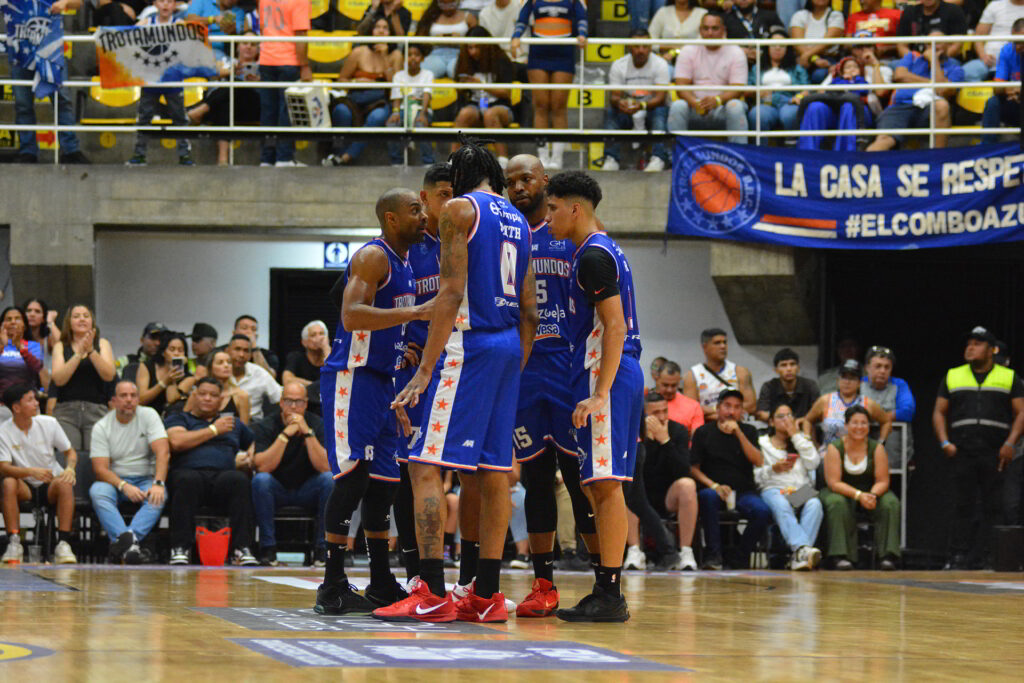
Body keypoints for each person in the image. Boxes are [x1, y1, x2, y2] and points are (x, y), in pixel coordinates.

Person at [382, 139, 535, 624]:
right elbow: (531, 310)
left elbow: (450, 294)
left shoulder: (458, 211)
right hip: (509, 346)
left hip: (467, 344)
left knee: (424, 465)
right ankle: (486, 593)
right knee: (492, 473)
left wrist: (425, 370)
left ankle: (429, 589)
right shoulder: (521, 221)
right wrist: (514, 363)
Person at [315, 188, 432, 616]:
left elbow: (384, 320)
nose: (424, 217)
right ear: (391, 218)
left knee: (385, 483)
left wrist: (402, 348)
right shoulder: (373, 256)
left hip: (384, 379)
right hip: (353, 376)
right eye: (415, 210)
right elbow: (352, 315)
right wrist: (416, 314)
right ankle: (332, 586)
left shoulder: (406, 262)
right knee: (353, 479)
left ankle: (381, 581)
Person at [545, 170, 643, 622]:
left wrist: (600, 393)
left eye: (552, 208)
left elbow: (616, 327)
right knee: (599, 485)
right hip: (608, 372)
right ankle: (606, 589)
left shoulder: (593, 257)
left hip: (606, 373)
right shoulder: (600, 248)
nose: (547, 218)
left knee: (605, 486)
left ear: (574, 209)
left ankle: (610, 592)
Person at [505, 155, 598, 618]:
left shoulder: (572, 237)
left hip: (568, 367)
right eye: (510, 182)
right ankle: (544, 583)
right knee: (537, 478)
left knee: (583, 479)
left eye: (526, 178)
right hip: (524, 371)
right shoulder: (506, 238)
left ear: (545, 181)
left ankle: (604, 580)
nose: (519, 187)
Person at [390, 164, 453, 585]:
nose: (451, 200)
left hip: (456, 369)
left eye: (455, 192)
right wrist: (399, 336)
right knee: (406, 470)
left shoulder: (462, 240)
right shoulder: (405, 244)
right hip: (410, 373)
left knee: (448, 472)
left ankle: (464, 577)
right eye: (444, 193)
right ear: (425, 197)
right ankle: (413, 572)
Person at [933, 326, 1024, 569]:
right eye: (968, 344)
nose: (970, 348)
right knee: (963, 504)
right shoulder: (953, 375)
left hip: (995, 452)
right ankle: (958, 557)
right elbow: (939, 412)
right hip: (962, 450)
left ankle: (989, 555)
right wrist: (944, 442)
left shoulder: (1008, 377)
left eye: (977, 343)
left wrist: (1009, 443)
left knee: (994, 506)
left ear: (992, 350)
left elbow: (1021, 412)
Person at [164, 377, 258, 565]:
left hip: (223, 478)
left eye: (213, 395)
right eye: (203, 394)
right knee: (186, 479)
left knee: (240, 480)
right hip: (189, 475)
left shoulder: (233, 423)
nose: (207, 398)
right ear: (194, 395)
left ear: (221, 400)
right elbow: (177, 442)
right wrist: (214, 430)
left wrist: (249, 456)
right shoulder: (179, 418)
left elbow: (257, 441)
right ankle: (180, 548)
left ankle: (242, 549)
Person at [251, 382, 331, 567]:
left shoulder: (318, 424)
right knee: (261, 481)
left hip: (308, 489)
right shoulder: (266, 425)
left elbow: (325, 466)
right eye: (288, 401)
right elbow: (262, 466)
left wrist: (308, 434)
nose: (293, 407)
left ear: (306, 403)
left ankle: (322, 550)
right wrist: (285, 435)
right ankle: (268, 549)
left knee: (329, 480)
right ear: (280, 402)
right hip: (276, 488)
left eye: (298, 402)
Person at [88, 381, 169, 564]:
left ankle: (125, 542)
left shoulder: (149, 415)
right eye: (124, 396)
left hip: (145, 478)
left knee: (159, 496)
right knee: (97, 491)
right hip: (114, 481)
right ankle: (130, 544)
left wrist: (158, 483)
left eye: (133, 396)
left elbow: (163, 452)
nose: (129, 400)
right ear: (113, 401)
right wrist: (123, 486)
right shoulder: (102, 427)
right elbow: (100, 469)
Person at [689, 389, 770, 569]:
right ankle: (713, 555)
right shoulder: (703, 432)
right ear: (718, 408)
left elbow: (758, 461)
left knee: (762, 511)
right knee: (707, 498)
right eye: (727, 406)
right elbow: (693, 469)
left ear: (742, 411)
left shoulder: (749, 431)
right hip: (714, 489)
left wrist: (739, 434)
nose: (731, 411)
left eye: (737, 407)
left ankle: (740, 556)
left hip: (743, 491)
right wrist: (715, 485)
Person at [0, 383, 78, 565]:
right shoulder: (3, 431)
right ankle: (14, 542)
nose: (36, 403)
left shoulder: (49, 423)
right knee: (8, 482)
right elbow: (3, 467)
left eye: (35, 399)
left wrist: (70, 468)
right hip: (24, 484)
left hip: (51, 482)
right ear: (16, 408)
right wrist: (29, 471)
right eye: (30, 400)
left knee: (66, 483)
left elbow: (70, 452)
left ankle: (64, 543)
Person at [6, 0, 90, 164]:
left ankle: (70, 150)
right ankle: (27, 151)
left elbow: (78, 3)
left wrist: (64, 2)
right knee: (23, 104)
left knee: (62, 100)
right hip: (20, 52)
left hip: (50, 51)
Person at [508, 0, 588, 170]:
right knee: (541, 104)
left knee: (559, 105)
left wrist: (582, 34)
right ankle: (542, 155)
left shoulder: (573, 1)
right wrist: (516, 37)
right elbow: (522, 19)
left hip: (564, 54)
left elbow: (582, 19)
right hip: (538, 54)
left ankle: (557, 156)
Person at [820, 405, 901, 570]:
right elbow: (834, 482)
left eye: (864, 423)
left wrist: (871, 495)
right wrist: (858, 495)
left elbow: (883, 480)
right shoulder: (834, 448)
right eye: (855, 423)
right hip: (840, 490)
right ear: (847, 425)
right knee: (837, 503)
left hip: (870, 490)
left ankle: (888, 556)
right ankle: (839, 556)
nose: (859, 427)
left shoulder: (877, 448)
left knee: (890, 502)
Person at [323, 17, 402, 167]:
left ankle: (345, 157)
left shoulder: (395, 55)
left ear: (390, 33)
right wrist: (356, 82)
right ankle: (337, 153)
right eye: (377, 27)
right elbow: (341, 80)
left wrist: (385, 57)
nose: (380, 31)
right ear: (371, 31)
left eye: (385, 28)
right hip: (355, 97)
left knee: (377, 117)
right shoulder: (358, 52)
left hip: (379, 101)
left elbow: (396, 85)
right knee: (341, 111)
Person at [866, 31, 963, 151]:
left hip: (929, 111)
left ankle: (938, 158)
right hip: (901, 106)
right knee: (884, 140)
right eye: (929, 44)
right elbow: (900, 76)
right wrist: (931, 83)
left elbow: (943, 91)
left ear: (947, 45)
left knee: (942, 105)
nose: (933, 46)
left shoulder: (956, 68)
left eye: (937, 43)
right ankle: (863, 166)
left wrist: (934, 62)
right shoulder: (912, 57)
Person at [126, 0, 195, 166]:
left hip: (172, 78)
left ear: (175, 5)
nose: (165, 5)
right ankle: (139, 154)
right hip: (150, 78)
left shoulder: (179, 24)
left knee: (179, 118)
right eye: (162, 1)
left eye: (169, 1)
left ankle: (184, 155)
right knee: (144, 117)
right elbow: (126, 36)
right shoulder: (146, 22)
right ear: (155, 4)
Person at [756, 403, 822, 570]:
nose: (786, 420)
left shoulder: (801, 441)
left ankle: (799, 555)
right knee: (781, 503)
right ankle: (802, 550)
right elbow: (754, 476)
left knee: (815, 504)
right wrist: (773, 469)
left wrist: (795, 435)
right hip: (773, 488)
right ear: (771, 422)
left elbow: (814, 463)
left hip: (800, 489)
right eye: (781, 416)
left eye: (789, 415)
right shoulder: (761, 443)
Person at [667, 12, 749, 145]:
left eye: (715, 28)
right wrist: (695, 103)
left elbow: (737, 89)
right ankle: (675, 157)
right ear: (700, 30)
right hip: (695, 108)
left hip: (722, 108)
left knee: (735, 106)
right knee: (678, 106)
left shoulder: (735, 52)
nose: (710, 33)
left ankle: (739, 158)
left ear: (724, 30)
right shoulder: (688, 50)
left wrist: (717, 100)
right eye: (706, 28)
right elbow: (681, 87)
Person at [638, 391, 699, 570]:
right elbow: (637, 470)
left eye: (665, 411)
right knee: (626, 486)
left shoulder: (678, 430)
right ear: (645, 414)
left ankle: (686, 551)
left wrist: (665, 441)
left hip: (668, 496)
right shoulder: (635, 430)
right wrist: (647, 442)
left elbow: (683, 470)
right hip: (642, 494)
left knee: (688, 485)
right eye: (656, 414)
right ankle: (635, 552)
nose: (663, 417)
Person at [797, 36, 890, 152]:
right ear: (852, 49)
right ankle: (806, 154)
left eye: (868, 46)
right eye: (859, 47)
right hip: (835, 109)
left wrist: (875, 64)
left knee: (849, 107)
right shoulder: (838, 72)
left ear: (875, 48)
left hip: (860, 111)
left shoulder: (882, 69)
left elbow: (881, 92)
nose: (864, 50)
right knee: (815, 107)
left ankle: (845, 155)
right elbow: (821, 91)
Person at [50, 305, 117, 459]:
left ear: (92, 321)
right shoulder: (61, 346)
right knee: (68, 460)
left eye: (86, 316)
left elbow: (109, 375)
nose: (82, 319)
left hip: (96, 410)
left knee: (96, 458)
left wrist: (91, 352)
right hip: (66, 411)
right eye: (76, 316)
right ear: (69, 322)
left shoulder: (102, 344)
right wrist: (78, 354)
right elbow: (59, 379)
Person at [600, 29, 671, 173]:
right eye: (637, 46)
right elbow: (614, 96)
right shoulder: (619, 65)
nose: (641, 50)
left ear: (650, 47)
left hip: (651, 108)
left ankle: (658, 158)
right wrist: (620, 103)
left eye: (645, 46)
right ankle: (611, 158)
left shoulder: (660, 64)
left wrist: (642, 105)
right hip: (628, 109)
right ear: (629, 47)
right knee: (611, 112)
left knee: (661, 111)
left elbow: (660, 98)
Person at [451, 26, 519, 164]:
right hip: (475, 104)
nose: (473, 52)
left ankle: (503, 160)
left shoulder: (501, 60)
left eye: (477, 47)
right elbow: (461, 92)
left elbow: (506, 93)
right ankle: (453, 160)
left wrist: (481, 85)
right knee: (464, 114)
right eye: (470, 48)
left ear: (486, 46)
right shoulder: (465, 61)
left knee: (490, 114)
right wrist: (463, 85)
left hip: (500, 106)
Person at [257, 0, 311, 167]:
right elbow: (300, 36)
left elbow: (262, 28)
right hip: (288, 61)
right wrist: (305, 66)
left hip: (266, 59)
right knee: (286, 110)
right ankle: (284, 158)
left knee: (268, 111)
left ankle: (267, 159)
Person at [801, 359, 891, 453]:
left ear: (859, 383)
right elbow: (808, 420)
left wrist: (880, 444)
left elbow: (886, 422)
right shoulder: (825, 400)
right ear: (838, 380)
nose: (847, 382)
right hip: (828, 455)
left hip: (860, 455)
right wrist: (811, 444)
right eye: (844, 377)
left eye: (852, 378)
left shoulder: (868, 403)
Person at [682, 327, 756, 420]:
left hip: (737, 426)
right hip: (707, 428)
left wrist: (713, 412)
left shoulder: (741, 372)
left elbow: (751, 406)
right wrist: (724, 414)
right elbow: (691, 409)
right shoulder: (692, 375)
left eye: (725, 342)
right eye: (717, 343)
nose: (723, 346)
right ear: (705, 347)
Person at [861, 345, 915, 469]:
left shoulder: (899, 384)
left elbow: (908, 411)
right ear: (867, 368)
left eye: (887, 367)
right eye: (878, 366)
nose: (882, 371)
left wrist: (878, 417)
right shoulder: (858, 384)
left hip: (893, 449)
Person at [747, 30, 808, 133]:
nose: (777, 48)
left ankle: (791, 145)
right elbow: (747, 89)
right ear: (768, 47)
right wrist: (756, 92)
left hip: (789, 102)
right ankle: (760, 148)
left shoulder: (797, 68)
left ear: (787, 49)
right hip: (766, 103)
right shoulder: (756, 68)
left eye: (782, 45)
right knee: (757, 114)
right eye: (773, 44)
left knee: (790, 114)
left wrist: (798, 97)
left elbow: (807, 90)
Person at [385, 44, 437, 166]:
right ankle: (396, 162)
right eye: (409, 55)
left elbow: (426, 95)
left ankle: (428, 161)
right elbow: (397, 97)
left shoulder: (428, 74)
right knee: (391, 125)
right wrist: (396, 112)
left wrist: (423, 114)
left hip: (421, 109)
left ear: (422, 58)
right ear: (404, 58)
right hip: (403, 110)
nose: (413, 58)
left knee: (420, 126)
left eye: (417, 55)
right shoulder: (399, 76)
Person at [981, 19, 1023, 145]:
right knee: (993, 103)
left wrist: (1020, 91)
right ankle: (987, 149)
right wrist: (1008, 89)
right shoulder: (1007, 50)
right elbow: (997, 87)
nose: (1020, 47)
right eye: (1017, 42)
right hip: (1014, 101)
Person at [964, 0, 1024, 84]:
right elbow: (978, 36)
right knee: (966, 73)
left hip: (1018, 62)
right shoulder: (995, 6)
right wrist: (983, 55)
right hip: (989, 62)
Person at [224, 334, 282, 422]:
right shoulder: (218, 371)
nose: (241, 355)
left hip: (253, 423)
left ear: (251, 354)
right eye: (237, 349)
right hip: (222, 421)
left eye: (246, 351)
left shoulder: (259, 373)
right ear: (227, 351)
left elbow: (280, 396)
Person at [136, 332, 196, 416]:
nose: (176, 353)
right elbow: (141, 400)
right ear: (163, 352)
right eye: (172, 349)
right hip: (146, 415)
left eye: (180, 350)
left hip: (171, 417)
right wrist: (164, 382)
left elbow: (171, 399)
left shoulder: (189, 378)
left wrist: (172, 378)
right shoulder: (147, 367)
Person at [415, 0, 478, 78]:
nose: (447, 8)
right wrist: (434, 40)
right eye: (443, 4)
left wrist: (462, 40)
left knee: (459, 73)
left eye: (451, 4)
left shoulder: (468, 17)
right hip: (435, 53)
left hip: (460, 53)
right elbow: (419, 40)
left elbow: (477, 39)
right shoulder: (430, 16)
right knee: (424, 73)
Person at [755, 347, 819, 422]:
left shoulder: (810, 385)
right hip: (777, 429)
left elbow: (818, 411)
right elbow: (762, 413)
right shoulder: (769, 387)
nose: (789, 369)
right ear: (776, 370)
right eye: (783, 365)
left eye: (792, 364)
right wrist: (783, 421)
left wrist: (803, 420)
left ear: (798, 368)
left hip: (805, 427)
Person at [0, 307, 44, 415]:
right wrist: (2, 346)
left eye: (17, 318)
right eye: (8, 319)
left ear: (24, 325)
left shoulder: (33, 346)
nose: (13, 322)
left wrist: (21, 349)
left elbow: (37, 367)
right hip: (1, 405)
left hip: (28, 404)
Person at [788, 0, 845, 84]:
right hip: (802, 57)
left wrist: (808, 55)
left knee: (819, 75)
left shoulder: (836, 16)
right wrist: (814, 59)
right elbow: (797, 43)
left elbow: (827, 42)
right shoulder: (800, 15)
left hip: (827, 59)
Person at [188, 350, 252, 423]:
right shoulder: (197, 393)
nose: (226, 365)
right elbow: (183, 420)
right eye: (220, 363)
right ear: (210, 368)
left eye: (229, 362)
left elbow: (245, 429)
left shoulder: (241, 396)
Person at [896, 0, 966, 60]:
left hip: (946, 60)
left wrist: (936, 61)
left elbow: (956, 45)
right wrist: (917, 61)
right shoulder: (909, 12)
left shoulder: (954, 10)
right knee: (894, 65)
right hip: (915, 61)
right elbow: (902, 46)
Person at [653, 360, 704, 436]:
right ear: (657, 380)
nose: (669, 390)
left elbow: (697, 439)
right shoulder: (645, 403)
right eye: (665, 385)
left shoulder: (694, 407)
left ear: (679, 382)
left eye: (673, 385)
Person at [22, 299, 60, 389]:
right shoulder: (18, 340)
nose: (32, 314)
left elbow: (62, 345)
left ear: (43, 318)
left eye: (37, 311)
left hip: (48, 387)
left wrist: (50, 322)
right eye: (28, 311)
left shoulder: (49, 339)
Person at [282, 320, 330, 386]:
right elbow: (287, 380)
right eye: (313, 335)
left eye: (321, 334)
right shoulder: (296, 357)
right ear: (304, 342)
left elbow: (336, 379)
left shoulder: (335, 356)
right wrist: (315, 387)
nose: (319, 338)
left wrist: (326, 349)